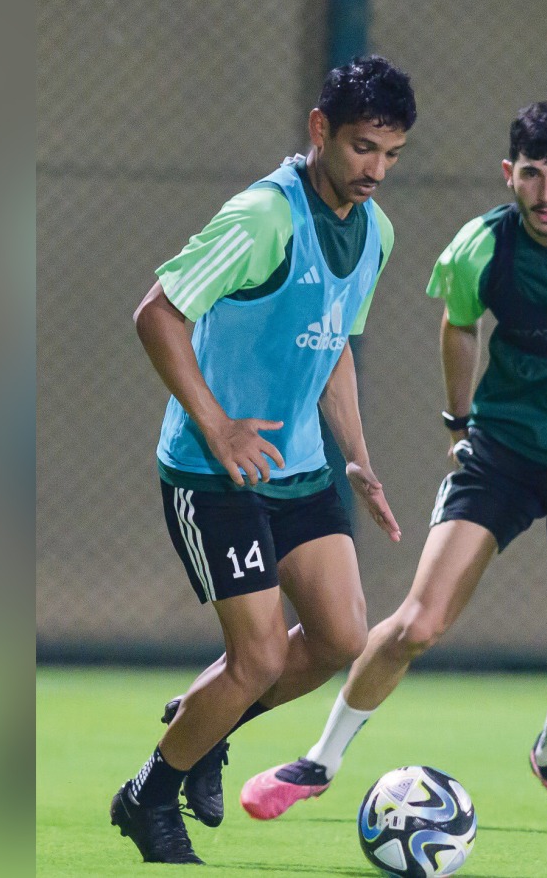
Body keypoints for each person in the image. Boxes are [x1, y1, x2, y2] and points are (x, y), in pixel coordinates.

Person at [239, 101, 547, 825]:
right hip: (504, 451)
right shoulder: (480, 246)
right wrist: (460, 423)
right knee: (418, 623)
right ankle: (319, 761)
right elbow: (459, 326)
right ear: (507, 175)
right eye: (531, 175)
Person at [109, 54, 416, 864]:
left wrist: (357, 456)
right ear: (319, 130)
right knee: (258, 657)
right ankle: (148, 798)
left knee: (343, 636)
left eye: (390, 154)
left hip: (303, 468)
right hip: (214, 473)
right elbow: (157, 313)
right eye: (360, 149)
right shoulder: (262, 218)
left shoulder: (376, 233)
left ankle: (204, 724)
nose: (375, 170)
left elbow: (335, 344)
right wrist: (217, 427)